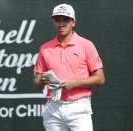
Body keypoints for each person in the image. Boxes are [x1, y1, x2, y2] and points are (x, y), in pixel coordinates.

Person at [34, 3, 105, 131]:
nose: (61, 24)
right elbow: (36, 83)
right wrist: (43, 81)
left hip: (79, 108)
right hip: (53, 108)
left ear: (73, 22)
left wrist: (74, 83)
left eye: (66, 20)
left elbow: (100, 78)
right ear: (53, 22)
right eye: (57, 20)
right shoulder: (45, 48)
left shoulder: (86, 45)